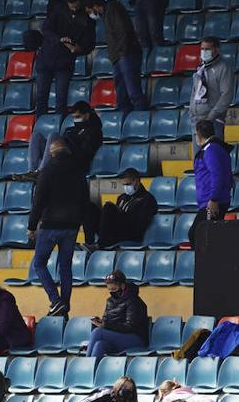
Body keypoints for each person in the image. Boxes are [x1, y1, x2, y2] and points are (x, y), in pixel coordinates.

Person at [28, 137, 89, 317]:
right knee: (65, 267)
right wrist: (89, 234)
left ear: (52, 153)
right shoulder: (79, 171)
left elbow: (38, 201)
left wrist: (31, 226)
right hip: (71, 226)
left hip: (50, 225)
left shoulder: (47, 171)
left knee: (39, 263)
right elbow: (85, 202)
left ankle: (56, 300)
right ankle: (65, 306)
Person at [34, 0, 95, 115]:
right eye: (71, 4)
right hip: (46, 59)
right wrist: (59, 39)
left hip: (65, 63)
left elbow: (89, 44)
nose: (73, 7)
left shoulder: (87, 19)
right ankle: (39, 127)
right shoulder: (58, 10)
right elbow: (46, 29)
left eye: (76, 4)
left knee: (61, 100)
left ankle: (59, 128)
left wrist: (79, 49)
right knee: (41, 98)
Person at [86, 0, 147, 115]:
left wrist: (122, 53)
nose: (90, 14)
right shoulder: (106, 14)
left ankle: (140, 119)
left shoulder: (113, 8)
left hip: (127, 55)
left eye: (89, 11)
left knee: (133, 92)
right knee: (122, 97)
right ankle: (126, 125)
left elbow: (124, 32)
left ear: (95, 6)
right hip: (118, 58)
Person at [25, 100, 102, 178]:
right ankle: (32, 171)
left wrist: (68, 146)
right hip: (61, 156)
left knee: (53, 136)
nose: (75, 119)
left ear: (87, 115)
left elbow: (85, 154)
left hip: (74, 162)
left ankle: (41, 172)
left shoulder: (94, 131)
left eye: (78, 117)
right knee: (36, 136)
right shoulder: (71, 130)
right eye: (74, 117)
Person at [87, 168, 157, 248]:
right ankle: (90, 243)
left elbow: (140, 224)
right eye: (124, 185)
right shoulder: (122, 197)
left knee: (108, 207)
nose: (126, 187)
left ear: (137, 181)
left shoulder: (147, 199)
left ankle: (101, 244)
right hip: (116, 231)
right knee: (90, 208)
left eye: (128, 184)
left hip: (131, 234)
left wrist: (123, 216)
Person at [189, 119, 232, 247]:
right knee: (208, 237)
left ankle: (209, 265)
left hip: (213, 203)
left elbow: (217, 174)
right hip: (210, 201)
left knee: (199, 235)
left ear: (199, 134)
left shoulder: (211, 150)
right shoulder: (214, 148)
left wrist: (214, 199)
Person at [87, 271, 149, 357]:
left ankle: (86, 363)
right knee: (99, 345)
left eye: (114, 289)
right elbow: (106, 322)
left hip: (135, 339)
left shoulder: (133, 301)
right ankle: (91, 369)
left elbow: (130, 326)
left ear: (122, 286)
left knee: (98, 333)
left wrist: (106, 325)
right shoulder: (110, 301)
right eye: (110, 290)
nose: (112, 292)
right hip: (118, 339)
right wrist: (99, 323)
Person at [189, 37, 233, 140]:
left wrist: (211, 117)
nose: (204, 52)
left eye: (207, 49)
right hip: (197, 122)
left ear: (216, 49)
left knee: (212, 154)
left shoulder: (223, 68)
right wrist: (191, 113)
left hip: (213, 122)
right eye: (202, 49)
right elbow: (194, 92)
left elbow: (226, 95)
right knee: (199, 156)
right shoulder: (201, 69)